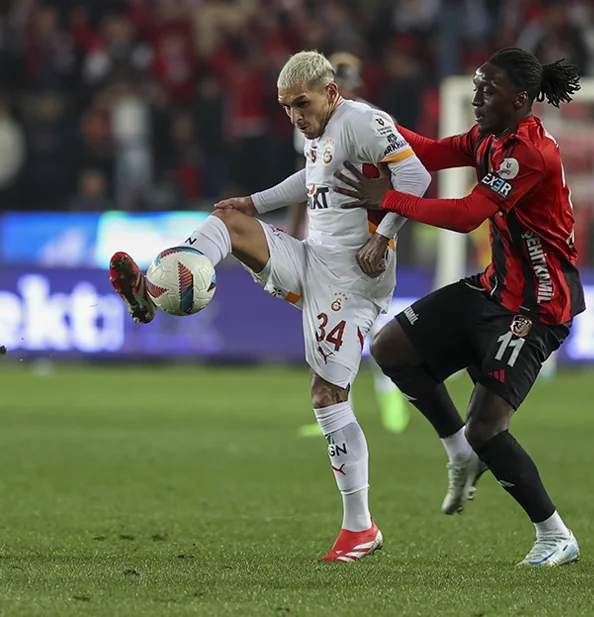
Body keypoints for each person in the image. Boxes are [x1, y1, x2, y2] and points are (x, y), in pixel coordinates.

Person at [108, 51, 431, 563]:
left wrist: (383, 237)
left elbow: (417, 178)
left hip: (354, 279)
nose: (294, 116)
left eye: (301, 104)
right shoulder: (318, 132)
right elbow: (311, 181)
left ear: (330, 92)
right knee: (228, 219)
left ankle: (360, 527)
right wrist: (254, 203)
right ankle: (157, 289)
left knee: (327, 395)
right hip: (311, 258)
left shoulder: (363, 122)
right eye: (285, 108)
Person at [334, 47, 585, 567]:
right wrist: (366, 119)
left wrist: (389, 198)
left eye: (487, 91)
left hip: (537, 306)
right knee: (391, 348)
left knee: (487, 426)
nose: (476, 99)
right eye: (476, 88)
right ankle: (459, 451)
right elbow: (429, 152)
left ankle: (555, 535)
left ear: (520, 99)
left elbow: (468, 215)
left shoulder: (529, 153)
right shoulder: (488, 138)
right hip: (494, 289)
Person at [291, 52, 411, 438]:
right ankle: (336, 410)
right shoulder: (309, 119)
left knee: (368, 326)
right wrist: (298, 227)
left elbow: (403, 178)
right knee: (328, 327)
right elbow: (307, 178)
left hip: (365, 237)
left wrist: (385, 233)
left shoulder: (371, 119)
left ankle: (389, 393)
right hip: (326, 236)